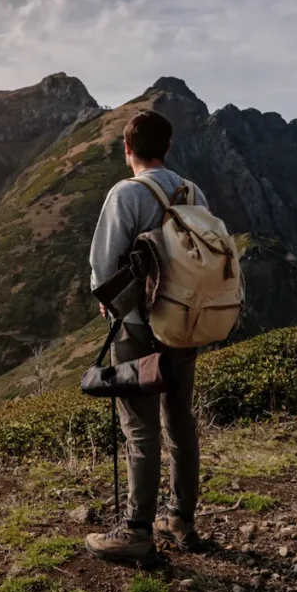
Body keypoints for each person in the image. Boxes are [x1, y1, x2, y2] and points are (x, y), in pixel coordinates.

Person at [84, 110, 209, 564]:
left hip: (139, 327)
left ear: (127, 149)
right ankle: (181, 517)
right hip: (186, 324)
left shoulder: (127, 193)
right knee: (180, 417)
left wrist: (113, 306)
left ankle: (137, 529)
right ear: (168, 148)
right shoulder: (194, 191)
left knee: (140, 426)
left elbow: (104, 267)